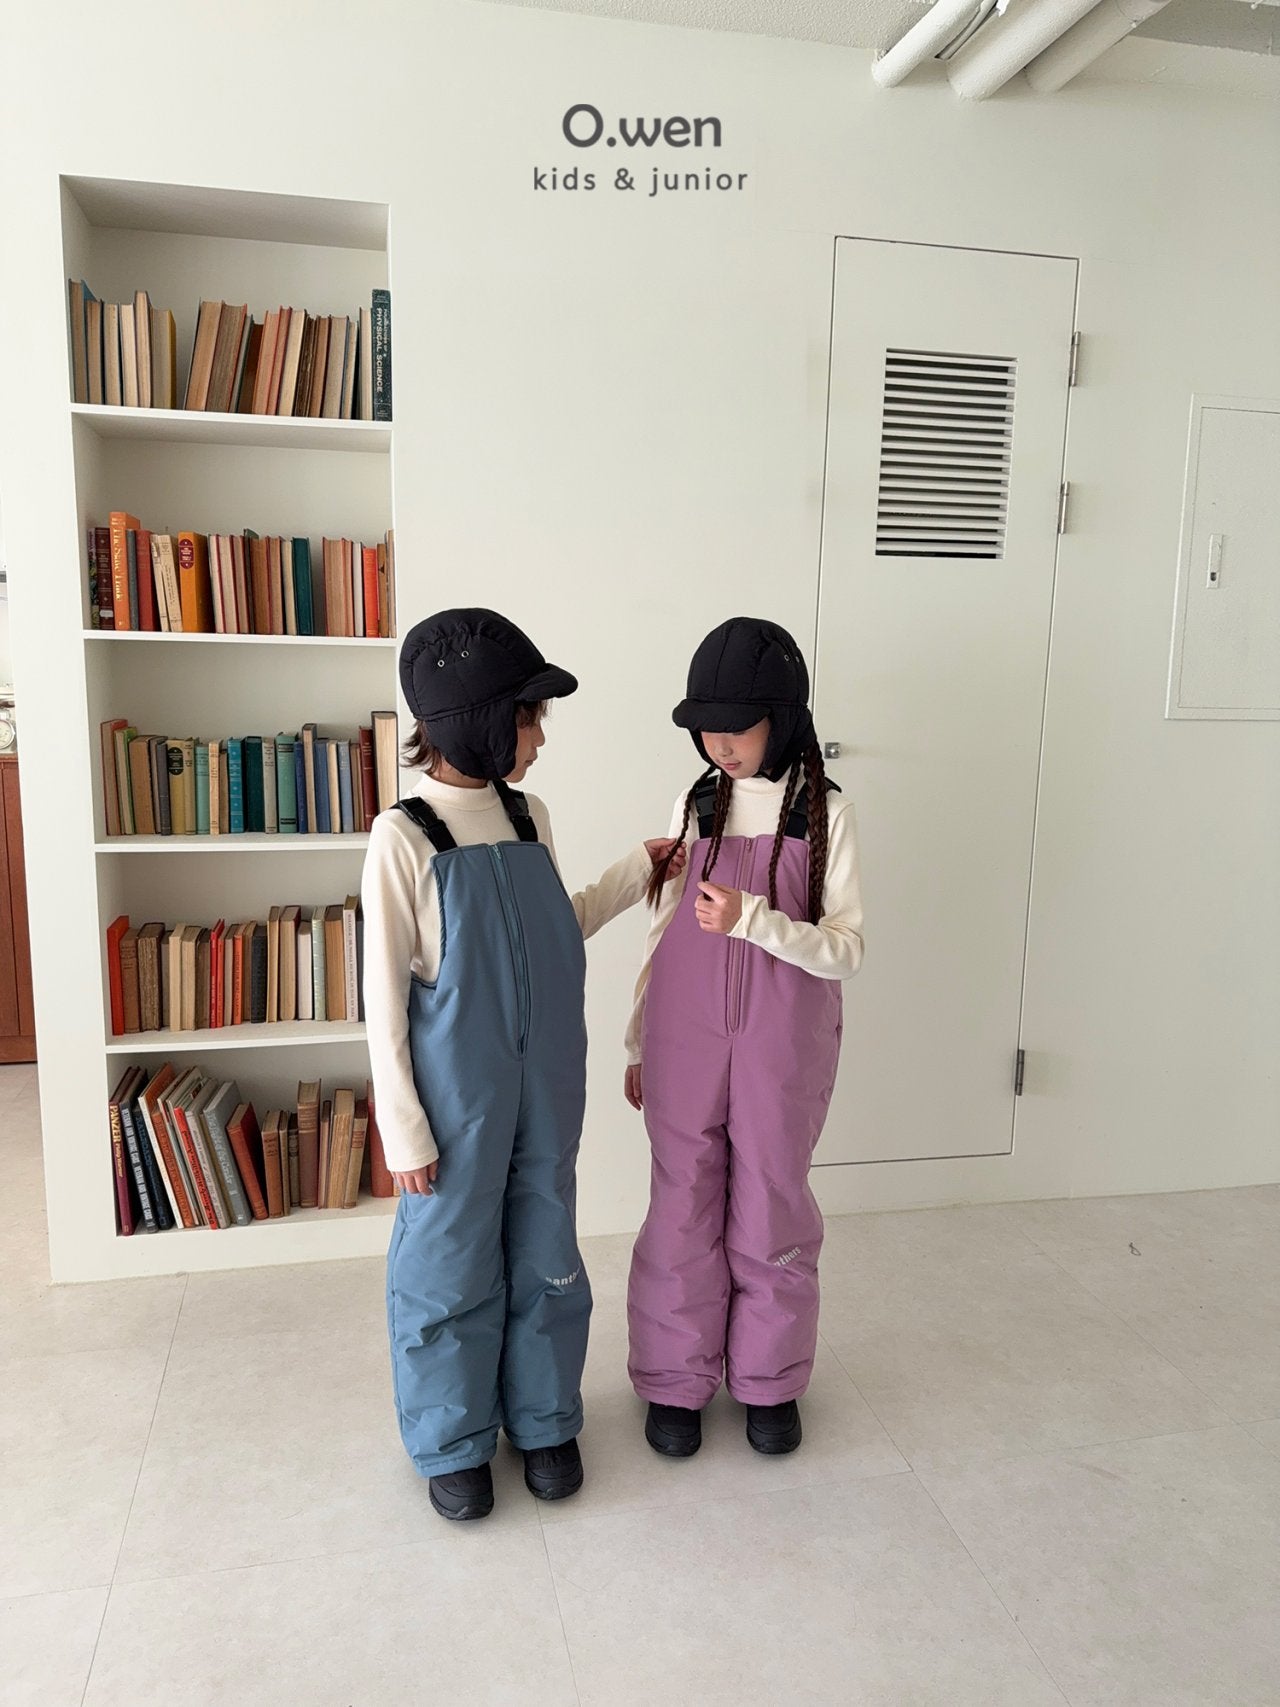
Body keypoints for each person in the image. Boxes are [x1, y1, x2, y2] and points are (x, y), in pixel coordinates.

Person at [362, 607, 684, 1521]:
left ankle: (543, 1417)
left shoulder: (526, 815)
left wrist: (634, 871)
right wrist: (403, 1128)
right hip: (454, 1100)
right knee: (450, 1261)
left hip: (545, 1083)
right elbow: (382, 997)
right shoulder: (403, 838)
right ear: (478, 721)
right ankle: (454, 1439)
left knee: (546, 1247)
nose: (540, 738)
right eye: (529, 718)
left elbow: (554, 930)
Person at [625, 617, 864, 1459]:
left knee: (770, 1203)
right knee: (681, 1205)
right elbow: (662, 928)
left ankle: (770, 1379)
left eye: (737, 727)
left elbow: (847, 949)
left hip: (781, 1043)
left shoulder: (825, 812)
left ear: (784, 716)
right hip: (685, 1035)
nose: (719, 745)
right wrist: (636, 1042)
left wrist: (754, 920)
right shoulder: (698, 804)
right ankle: (674, 1379)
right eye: (706, 728)